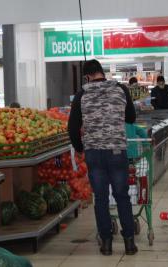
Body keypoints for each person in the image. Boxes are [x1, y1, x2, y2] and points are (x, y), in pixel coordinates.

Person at [68, 59, 138, 256]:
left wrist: (79, 147)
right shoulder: (121, 89)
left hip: (94, 153)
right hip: (117, 151)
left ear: (87, 76)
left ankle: (106, 244)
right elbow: (131, 117)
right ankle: (130, 244)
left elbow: (72, 127)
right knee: (122, 196)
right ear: (101, 72)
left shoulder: (82, 94)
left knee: (100, 198)